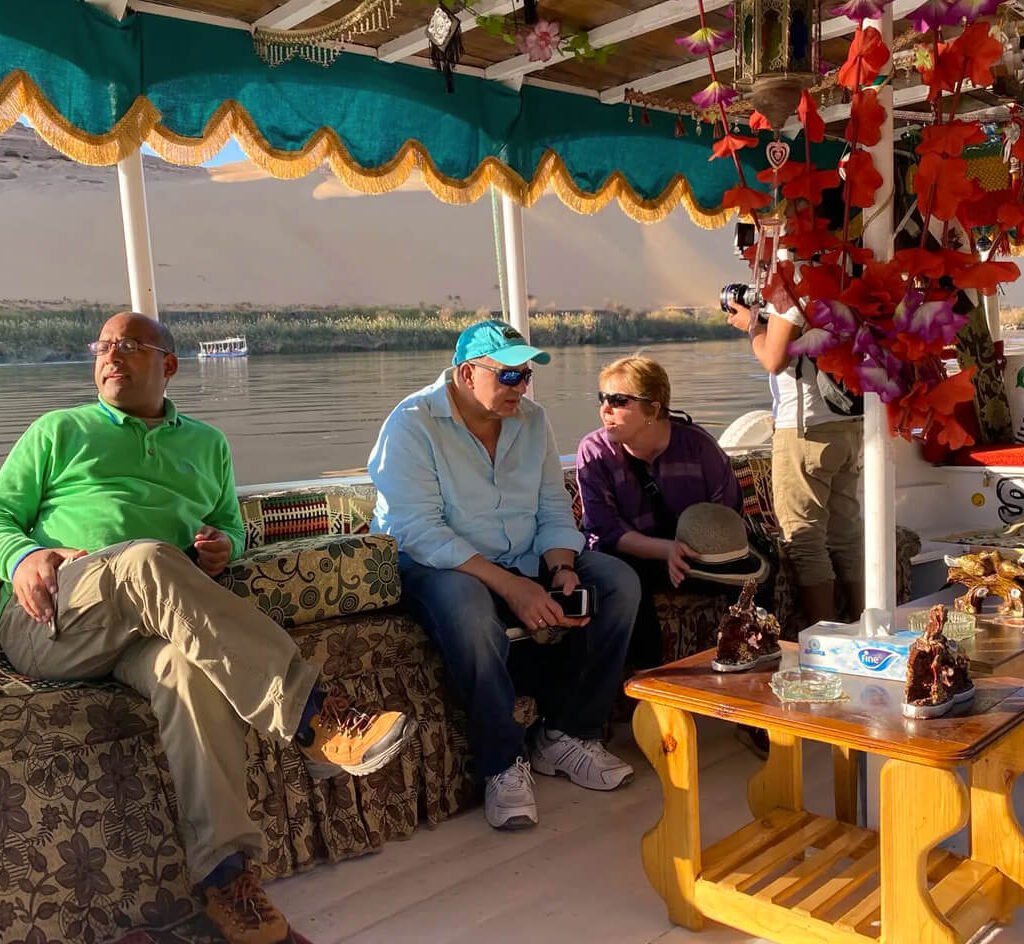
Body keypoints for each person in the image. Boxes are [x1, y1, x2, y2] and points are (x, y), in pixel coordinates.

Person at [0, 312, 412, 944]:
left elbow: (232, 527)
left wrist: (224, 547)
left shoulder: (208, 444)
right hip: (54, 618)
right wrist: (23, 556)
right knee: (145, 558)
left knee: (189, 673)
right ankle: (313, 719)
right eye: (103, 346)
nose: (110, 356)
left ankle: (227, 879)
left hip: (148, 632)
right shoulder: (59, 431)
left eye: (128, 345)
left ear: (167, 364)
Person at [368, 319, 641, 831]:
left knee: (617, 584)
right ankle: (502, 762)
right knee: (470, 612)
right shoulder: (412, 423)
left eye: (526, 376)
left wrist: (561, 566)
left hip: (523, 554)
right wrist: (513, 587)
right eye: (509, 376)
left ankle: (566, 735)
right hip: (440, 563)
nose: (521, 387)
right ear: (468, 374)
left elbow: (552, 505)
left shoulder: (532, 421)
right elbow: (417, 529)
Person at [575, 356, 744, 669]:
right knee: (628, 581)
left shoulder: (698, 447)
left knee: (754, 577)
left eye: (618, 400)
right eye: (603, 398)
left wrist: (698, 552)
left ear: (653, 410)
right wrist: (665, 550)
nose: (605, 409)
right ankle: (646, 682)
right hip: (630, 554)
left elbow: (728, 511)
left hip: (696, 552)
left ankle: (753, 666)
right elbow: (604, 529)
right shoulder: (595, 452)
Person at [726, 295, 864, 627]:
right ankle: (864, 623)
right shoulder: (841, 283)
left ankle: (825, 635)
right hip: (848, 424)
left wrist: (752, 327)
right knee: (845, 534)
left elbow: (774, 360)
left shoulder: (790, 292)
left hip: (805, 429)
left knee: (804, 538)